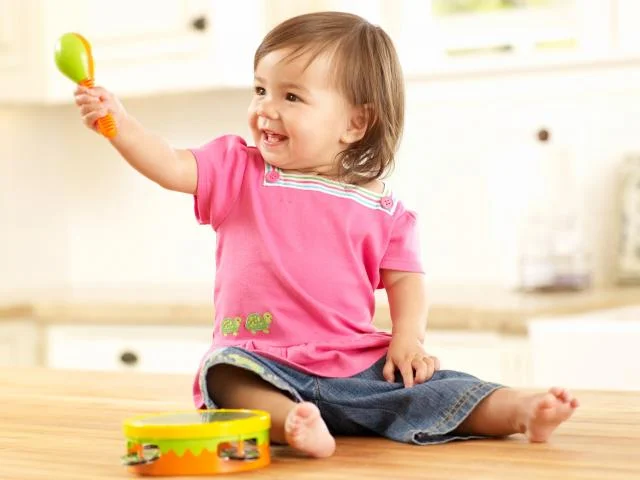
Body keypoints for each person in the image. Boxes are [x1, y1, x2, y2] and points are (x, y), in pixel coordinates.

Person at [74, 11, 579, 459]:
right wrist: (120, 124)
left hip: (356, 367)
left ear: (356, 123)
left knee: (436, 390)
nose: (266, 108)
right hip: (261, 358)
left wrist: (408, 340)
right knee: (223, 376)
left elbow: (406, 280)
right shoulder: (237, 170)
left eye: (291, 96)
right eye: (260, 90)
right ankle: (295, 423)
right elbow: (169, 164)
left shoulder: (384, 210)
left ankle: (521, 409)